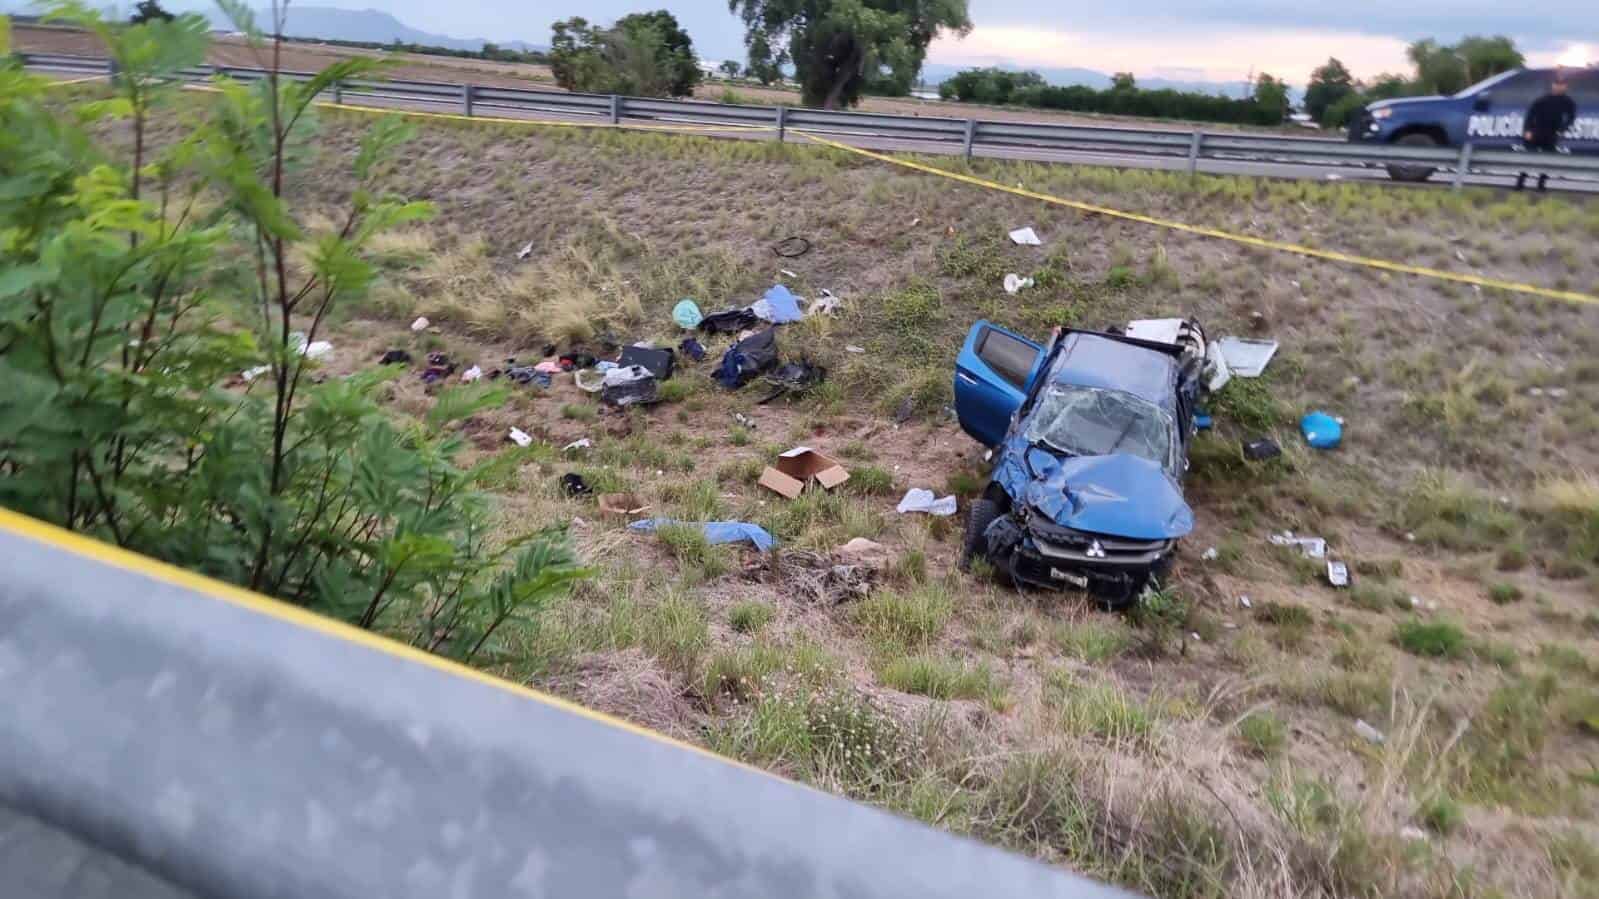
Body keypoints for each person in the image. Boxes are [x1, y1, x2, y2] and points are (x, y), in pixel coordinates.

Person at [1517, 73, 1578, 191]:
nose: (1559, 86)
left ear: (1566, 87)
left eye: (1562, 85)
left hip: (1551, 135)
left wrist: (1562, 130)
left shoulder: (1568, 102)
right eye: (1557, 84)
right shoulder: (1543, 99)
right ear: (1553, 85)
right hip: (1535, 132)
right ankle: (1520, 184)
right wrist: (1527, 130)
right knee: (1528, 159)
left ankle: (1541, 186)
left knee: (1546, 161)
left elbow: (1571, 118)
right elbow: (1530, 115)